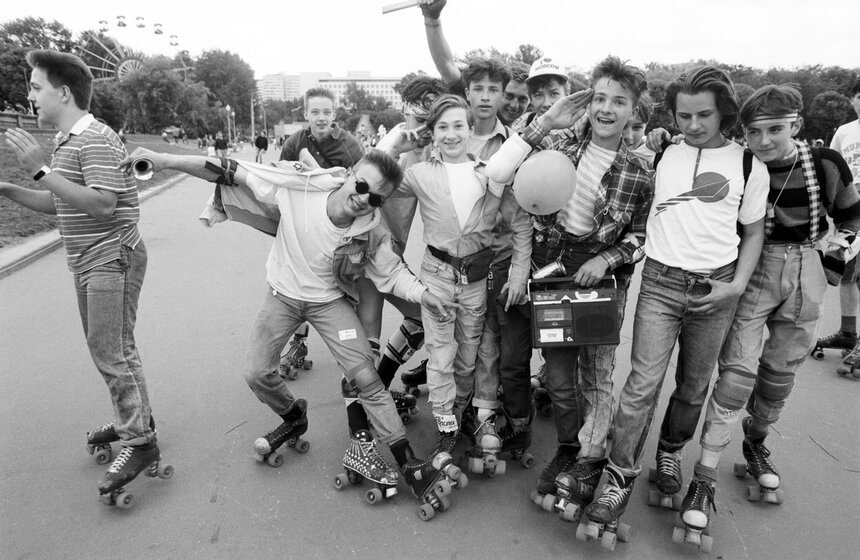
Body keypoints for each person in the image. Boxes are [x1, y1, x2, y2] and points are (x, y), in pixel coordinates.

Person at [120, 145, 463, 509]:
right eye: (362, 186)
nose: (365, 200)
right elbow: (228, 169)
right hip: (282, 295)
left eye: (376, 198)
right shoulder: (300, 188)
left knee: (367, 378)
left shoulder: (371, 230)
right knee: (255, 373)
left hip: (329, 303)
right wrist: (165, 159)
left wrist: (423, 294)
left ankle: (408, 462)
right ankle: (293, 415)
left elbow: (392, 273)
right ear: (349, 173)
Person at [584, 66, 770, 541]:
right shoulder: (662, 152)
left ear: (723, 111)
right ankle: (618, 476)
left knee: (693, 385)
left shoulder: (749, 165)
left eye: (703, 114)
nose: (692, 124)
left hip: (717, 288)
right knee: (641, 384)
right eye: (683, 115)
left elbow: (753, 232)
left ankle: (669, 450)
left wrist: (736, 286)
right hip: (661, 284)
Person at [679, 84, 860, 538]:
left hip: (806, 270)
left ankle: (756, 441)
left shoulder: (826, 164)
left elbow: (853, 217)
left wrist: (830, 266)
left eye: (774, 129)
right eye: (754, 131)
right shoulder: (741, 163)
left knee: (781, 372)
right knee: (736, 372)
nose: (763, 141)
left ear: (795, 125)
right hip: (753, 271)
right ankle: (705, 471)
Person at [486, 55, 654, 510]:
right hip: (553, 272)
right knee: (560, 379)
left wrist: (606, 258)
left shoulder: (641, 171)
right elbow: (499, 175)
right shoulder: (556, 142)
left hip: (601, 278)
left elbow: (641, 235)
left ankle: (591, 458)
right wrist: (545, 120)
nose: (606, 109)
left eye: (619, 102)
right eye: (599, 98)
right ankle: (567, 449)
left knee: (597, 376)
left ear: (633, 109)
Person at [0, 49, 162, 499]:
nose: (30, 96)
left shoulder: (95, 138)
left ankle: (140, 440)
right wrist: (11, 189)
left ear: (63, 92)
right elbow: (63, 201)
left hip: (112, 255)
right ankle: (136, 419)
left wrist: (38, 169)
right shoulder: (67, 141)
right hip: (87, 260)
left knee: (112, 349)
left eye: (35, 87)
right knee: (110, 348)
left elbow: (104, 205)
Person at [386, 94, 532, 467]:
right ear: (432, 134)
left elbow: (520, 224)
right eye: (442, 127)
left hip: (476, 281)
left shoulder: (491, 176)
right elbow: (373, 183)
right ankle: (446, 429)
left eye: (458, 126)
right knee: (440, 357)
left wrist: (518, 275)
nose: (451, 135)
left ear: (471, 130)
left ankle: (460, 412)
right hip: (436, 278)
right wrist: (394, 145)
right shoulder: (419, 173)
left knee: (467, 360)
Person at [277, 88, 366, 369]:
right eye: (315, 112)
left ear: (334, 115)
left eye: (326, 112)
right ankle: (298, 344)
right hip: (303, 226)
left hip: (337, 229)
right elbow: (281, 177)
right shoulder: (295, 142)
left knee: (340, 285)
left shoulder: (350, 146)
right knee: (299, 283)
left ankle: (350, 350)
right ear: (306, 114)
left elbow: (362, 186)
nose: (321, 117)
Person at [418, 0, 530, 127]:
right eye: (509, 96)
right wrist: (432, 19)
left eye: (522, 99)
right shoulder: (473, 103)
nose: (514, 105)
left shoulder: (526, 132)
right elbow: (447, 66)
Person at [819, 79, 860, 361]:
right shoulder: (845, 132)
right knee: (847, 272)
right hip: (849, 208)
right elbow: (832, 171)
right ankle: (848, 331)